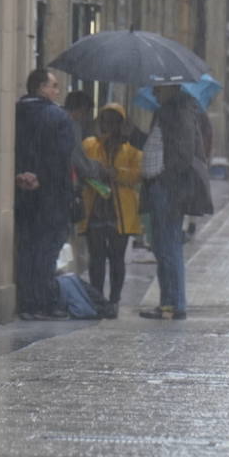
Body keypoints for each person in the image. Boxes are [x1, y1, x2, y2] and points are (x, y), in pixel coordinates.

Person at [14, 69, 79, 320]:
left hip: (22, 194)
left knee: (27, 248)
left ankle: (27, 303)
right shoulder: (59, 117)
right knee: (47, 251)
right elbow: (61, 158)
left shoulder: (16, 113)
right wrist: (41, 178)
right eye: (53, 86)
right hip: (51, 197)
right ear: (41, 88)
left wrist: (22, 175)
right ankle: (43, 302)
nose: (57, 91)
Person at [138, 84, 204, 320]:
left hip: (169, 188)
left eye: (158, 88)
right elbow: (157, 145)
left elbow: (184, 153)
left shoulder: (179, 111)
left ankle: (174, 303)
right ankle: (168, 302)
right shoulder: (165, 111)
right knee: (161, 245)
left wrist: (169, 180)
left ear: (171, 87)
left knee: (169, 244)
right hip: (160, 186)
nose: (154, 92)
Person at [79, 103, 144, 310]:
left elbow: (137, 175)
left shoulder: (132, 151)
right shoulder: (90, 145)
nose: (109, 125)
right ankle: (97, 297)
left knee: (117, 258)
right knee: (96, 258)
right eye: (105, 120)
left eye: (114, 121)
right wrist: (97, 172)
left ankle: (114, 299)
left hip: (120, 213)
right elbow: (81, 167)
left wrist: (117, 173)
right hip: (95, 210)